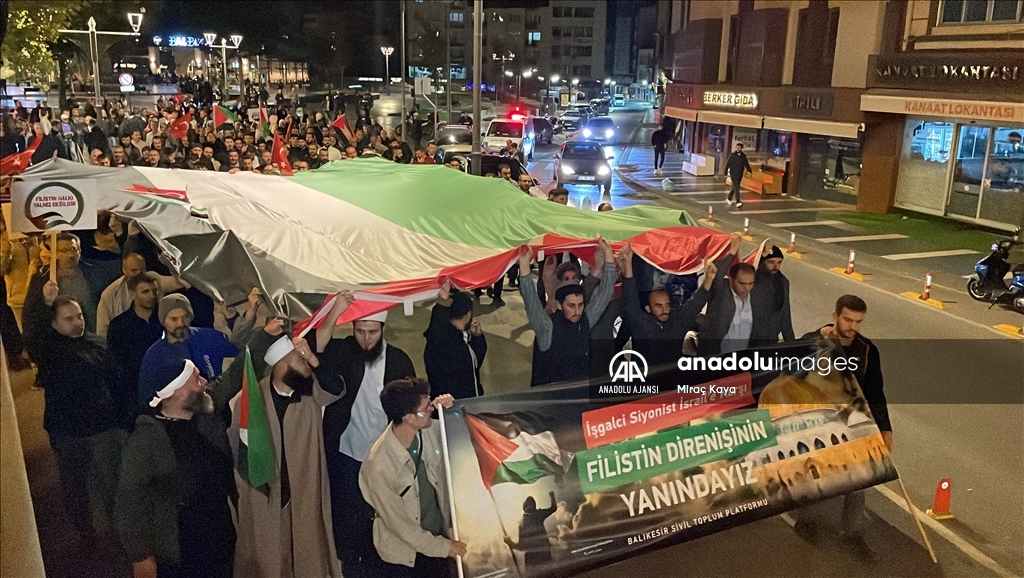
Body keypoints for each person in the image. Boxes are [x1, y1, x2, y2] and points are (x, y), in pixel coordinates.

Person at [229, 326, 347, 578]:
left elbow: (334, 389)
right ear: (281, 364)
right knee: (268, 558)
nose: (307, 363)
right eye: (300, 359)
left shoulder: (311, 396)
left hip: (303, 493)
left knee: (307, 556)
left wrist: (314, 360)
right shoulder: (252, 398)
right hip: (265, 494)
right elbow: (238, 449)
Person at [314, 303, 416, 578]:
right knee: (347, 516)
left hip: (384, 456)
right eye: (360, 331)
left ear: (382, 329)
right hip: (347, 452)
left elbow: (410, 404)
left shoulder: (398, 360)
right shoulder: (344, 351)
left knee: (383, 516)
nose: (366, 338)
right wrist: (336, 312)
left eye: (372, 332)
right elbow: (317, 347)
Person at [792, 294, 892, 560]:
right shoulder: (811, 342)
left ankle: (853, 534)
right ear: (835, 315)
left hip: (854, 424)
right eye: (848, 319)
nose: (853, 326)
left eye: (859, 321)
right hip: (818, 424)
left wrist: (885, 430)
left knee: (859, 479)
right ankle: (807, 522)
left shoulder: (867, 350)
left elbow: (876, 393)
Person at [115, 360, 236, 578]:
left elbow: (232, 378)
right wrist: (141, 557)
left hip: (219, 534)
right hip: (183, 547)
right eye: (196, 379)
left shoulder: (202, 413)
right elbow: (130, 501)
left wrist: (263, 338)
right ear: (176, 391)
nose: (203, 382)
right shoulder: (147, 439)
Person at [24, 294, 126, 551]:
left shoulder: (97, 343)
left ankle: (118, 534)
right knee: (75, 486)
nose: (77, 322)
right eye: (68, 319)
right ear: (55, 325)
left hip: (102, 427)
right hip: (68, 431)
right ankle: (86, 534)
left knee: (111, 482)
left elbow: (115, 381)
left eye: (79, 316)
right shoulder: (49, 350)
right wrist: (43, 302)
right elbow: (33, 335)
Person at [359, 378, 464, 578]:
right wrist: (444, 548)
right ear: (409, 417)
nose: (431, 409)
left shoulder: (427, 431)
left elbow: (461, 432)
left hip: (440, 544)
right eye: (426, 407)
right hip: (407, 559)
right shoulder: (378, 465)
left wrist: (450, 409)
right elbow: (400, 525)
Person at [519, 240, 617, 386]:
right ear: (560, 305)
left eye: (580, 305)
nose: (577, 311)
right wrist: (524, 267)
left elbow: (605, 294)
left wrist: (609, 259)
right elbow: (531, 301)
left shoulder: (585, 320)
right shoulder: (548, 328)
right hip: (550, 401)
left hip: (579, 395)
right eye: (571, 306)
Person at [618, 243, 715, 369]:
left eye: (667, 305)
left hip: (671, 382)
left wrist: (709, 279)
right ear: (648, 309)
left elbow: (695, 305)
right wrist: (628, 265)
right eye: (658, 306)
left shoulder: (677, 323)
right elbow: (630, 297)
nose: (665, 310)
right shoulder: (640, 324)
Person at [138, 294, 238, 404]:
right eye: (174, 319)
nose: (180, 323)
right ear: (163, 321)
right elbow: (146, 397)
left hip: (217, 408)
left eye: (185, 317)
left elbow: (238, 364)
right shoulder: (154, 356)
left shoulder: (211, 337)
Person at [106, 274, 165, 430]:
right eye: (145, 292)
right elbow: (117, 364)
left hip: (164, 388)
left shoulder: (164, 319)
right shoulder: (119, 326)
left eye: (154, 291)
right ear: (132, 294)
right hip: (133, 393)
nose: (152, 296)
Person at [698, 233, 771, 355]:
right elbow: (717, 274)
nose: (747, 288)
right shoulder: (721, 293)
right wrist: (732, 251)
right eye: (742, 283)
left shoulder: (756, 298)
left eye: (750, 283)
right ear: (731, 279)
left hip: (743, 361)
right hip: (716, 359)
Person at [96, 250, 183, 338]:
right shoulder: (110, 293)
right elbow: (102, 330)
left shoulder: (155, 279)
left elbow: (181, 282)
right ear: (124, 270)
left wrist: (172, 267)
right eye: (134, 270)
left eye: (142, 269)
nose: (138, 273)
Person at [423, 280, 486, 399]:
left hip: (465, 401)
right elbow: (436, 329)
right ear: (468, 314)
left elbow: (474, 363)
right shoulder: (444, 340)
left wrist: (477, 338)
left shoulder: (462, 337)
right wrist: (442, 303)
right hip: (453, 405)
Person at [750, 244, 795, 346]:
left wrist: (791, 342)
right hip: (748, 338)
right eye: (771, 262)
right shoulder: (750, 280)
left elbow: (785, 313)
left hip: (770, 338)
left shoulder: (783, 282)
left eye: (779, 262)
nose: (776, 266)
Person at [504, 492, 558, 570]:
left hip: (532, 560)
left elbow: (521, 547)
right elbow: (553, 508)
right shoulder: (538, 514)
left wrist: (510, 542)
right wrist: (552, 496)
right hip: (544, 555)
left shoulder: (522, 524)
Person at [725, 143, 752, 208]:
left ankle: (729, 198)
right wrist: (725, 173)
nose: (737, 149)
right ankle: (738, 201)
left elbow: (746, 164)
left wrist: (749, 170)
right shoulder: (732, 155)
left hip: (740, 173)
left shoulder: (743, 156)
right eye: (737, 147)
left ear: (741, 148)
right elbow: (727, 164)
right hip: (733, 173)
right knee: (737, 187)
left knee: (735, 187)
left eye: (739, 148)